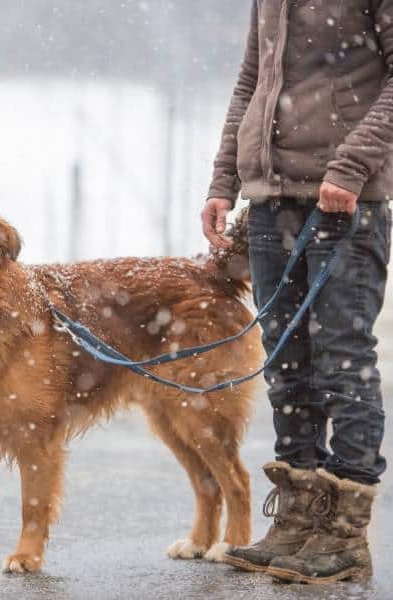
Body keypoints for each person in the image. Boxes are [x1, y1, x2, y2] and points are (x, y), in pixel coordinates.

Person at [201, 0, 390, 584]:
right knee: (287, 362)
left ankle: (343, 535)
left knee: (341, 362)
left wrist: (350, 166)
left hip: (345, 201)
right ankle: (298, 519)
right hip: (269, 201)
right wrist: (224, 181)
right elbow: (251, 81)